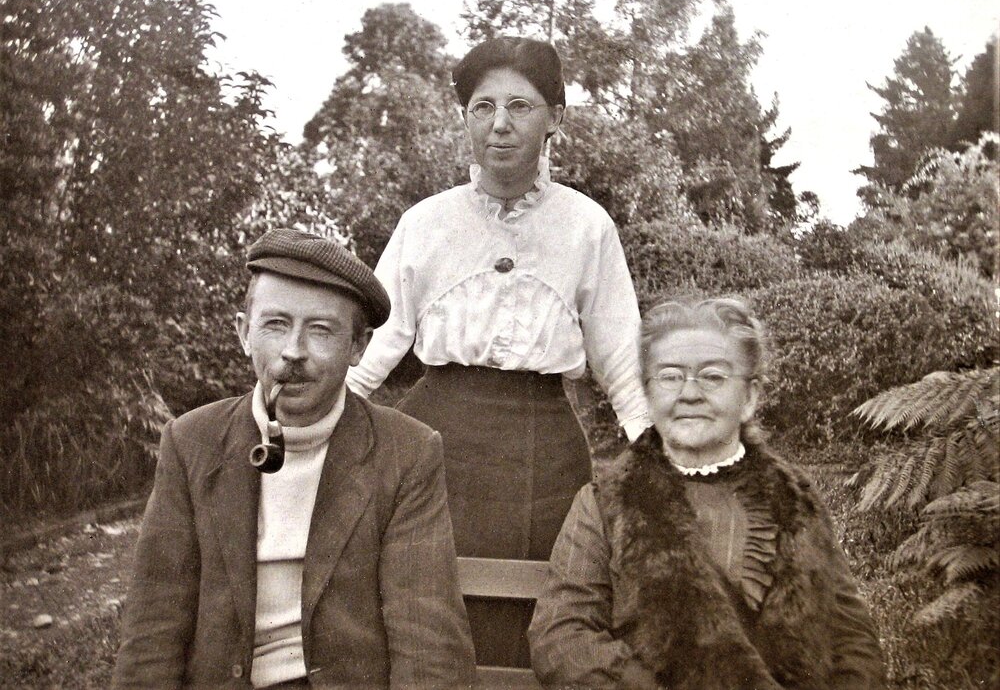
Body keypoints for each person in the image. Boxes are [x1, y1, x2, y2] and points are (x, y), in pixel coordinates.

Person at [345, 36, 650, 667]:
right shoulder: (425, 222)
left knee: (536, 612)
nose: (500, 124)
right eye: (482, 107)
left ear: (555, 118)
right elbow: (380, 338)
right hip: (435, 435)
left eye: (520, 106)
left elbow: (619, 358)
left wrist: (655, 454)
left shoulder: (587, 225)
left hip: (546, 445)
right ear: (465, 118)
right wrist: (321, 420)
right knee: (425, 603)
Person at [113, 229, 475, 689]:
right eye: (275, 325)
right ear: (244, 333)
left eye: (320, 330)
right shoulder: (191, 442)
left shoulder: (407, 453)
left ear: (358, 347)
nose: (293, 351)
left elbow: (428, 647)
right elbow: (152, 633)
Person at [528, 297, 886, 689]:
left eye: (712, 377)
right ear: (648, 394)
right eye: (670, 377)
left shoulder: (795, 501)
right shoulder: (604, 502)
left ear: (749, 397)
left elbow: (852, 637)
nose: (689, 394)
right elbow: (562, 637)